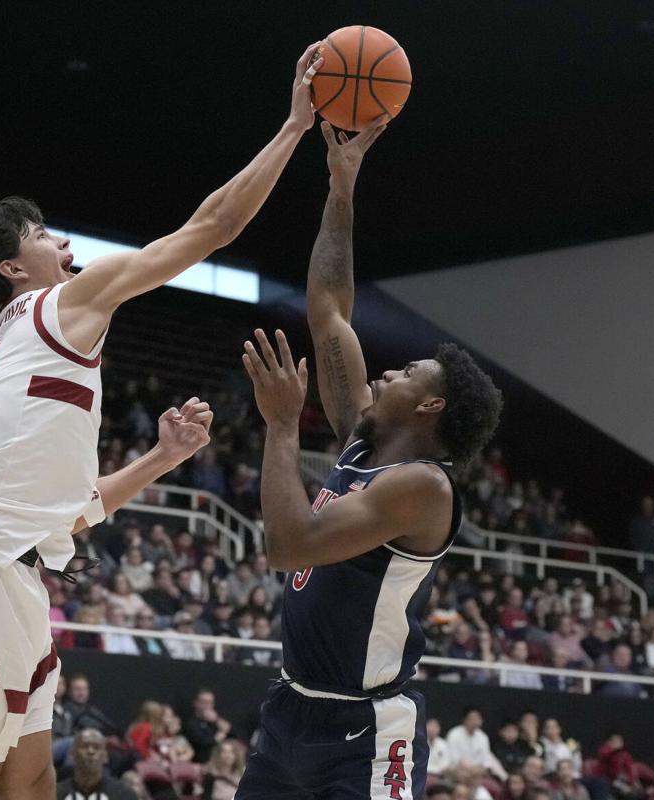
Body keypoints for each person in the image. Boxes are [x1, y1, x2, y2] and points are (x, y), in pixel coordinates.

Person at [0, 43, 325, 800]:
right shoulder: (61, 305)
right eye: (40, 235)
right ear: (12, 268)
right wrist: (294, 128)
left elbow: (58, 506)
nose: (60, 241)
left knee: (31, 780)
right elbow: (211, 228)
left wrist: (161, 458)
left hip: (11, 569)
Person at [235, 116, 502, 798]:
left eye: (409, 372)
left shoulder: (423, 489)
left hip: (363, 732)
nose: (387, 374)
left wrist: (282, 427)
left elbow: (290, 546)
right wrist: (341, 188)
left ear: (432, 407)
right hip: (289, 708)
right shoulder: (364, 438)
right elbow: (328, 307)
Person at [56, 729, 136, 800]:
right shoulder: (55, 793)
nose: (91, 751)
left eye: (97, 747)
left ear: (105, 757)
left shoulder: (124, 794)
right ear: (72, 754)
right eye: (85, 746)